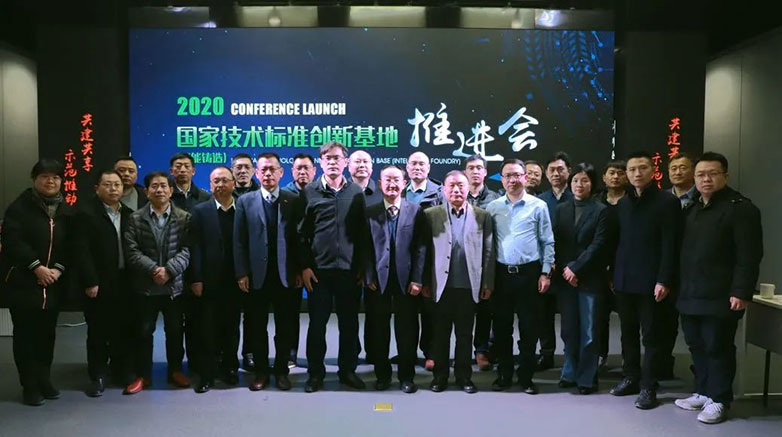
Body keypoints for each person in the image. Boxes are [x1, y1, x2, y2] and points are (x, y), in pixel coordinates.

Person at [675, 152, 762, 424]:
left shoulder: (741, 208)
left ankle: (720, 398)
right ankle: (703, 390)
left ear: (726, 175)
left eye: (713, 174)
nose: (706, 179)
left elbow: (749, 255)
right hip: (690, 291)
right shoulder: (692, 208)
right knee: (696, 344)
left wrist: (741, 291)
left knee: (718, 346)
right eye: (701, 175)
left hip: (722, 294)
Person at [609, 151, 681, 410]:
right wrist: (613, 275)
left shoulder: (667, 202)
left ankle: (649, 385)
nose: (637, 173)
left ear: (653, 171)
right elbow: (618, 243)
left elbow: (671, 245)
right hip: (624, 280)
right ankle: (630, 377)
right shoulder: (624, 203)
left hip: (652, 282)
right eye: (632, 169)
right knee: (627, 333)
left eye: (642, 168)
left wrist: (664, 279)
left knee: (652, 336)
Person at [1, 159, 74, 406]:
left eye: (56, 177)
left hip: (53, 284)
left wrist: (58, 270)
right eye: (44, 176)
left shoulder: (66, 210)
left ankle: (44, 379)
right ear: (35, 179)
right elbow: (12, 241)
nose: (50, 181)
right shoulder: (19, 208)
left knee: (47, 335)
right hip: (24, 283)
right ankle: (29, 385)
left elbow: (70, 244)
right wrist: (36, 267)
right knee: (25, 336)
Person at [298, 142, 369, 393]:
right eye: (327, 158)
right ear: (321, 162)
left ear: (345, 162)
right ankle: (315, 374)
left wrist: (362, 266)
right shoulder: (310, 191)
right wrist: (305, 267)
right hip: (319, 272)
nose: (332, 162)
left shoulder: (356, 192)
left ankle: (347, 371)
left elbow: (362, 233)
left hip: (349, 271)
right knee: (317, 325)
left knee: (349, 325)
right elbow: (301, 234)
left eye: (337, 158)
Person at [486, 158, 554, 395]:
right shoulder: (493, 207)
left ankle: (526, 377)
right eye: (507, 175)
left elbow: (547, 241)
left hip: (530, 274)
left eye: (517, 175)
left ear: (525, 177)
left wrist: (546, 272)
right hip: (501, 275)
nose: (512, 180)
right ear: (501, 179)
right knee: (501, 328)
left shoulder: (538, 206)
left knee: (529, 328)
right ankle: (504, 374)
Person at [234, 153, 302, 392]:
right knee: (256, 326)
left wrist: (299, 270)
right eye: (263, 170)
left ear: (281, 173)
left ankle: (281, 371)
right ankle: (261, 372)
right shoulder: (245, 201)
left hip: (285, 274)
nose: (268, 174)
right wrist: (241, 272)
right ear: (257, 172)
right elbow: (239, 241)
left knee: (285, 326)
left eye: (273, 169)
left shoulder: (293, 200)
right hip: (256, 275)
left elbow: (299, 239)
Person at [425, 170, 494, 394]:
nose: (456, 190)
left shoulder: (482, 215)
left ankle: (464, 377)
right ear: (444, 189)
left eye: (461, 186)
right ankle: (440, 376)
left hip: (469, 285)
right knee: (440, 334)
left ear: (468, 188)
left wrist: (487, 283)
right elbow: (423, 252)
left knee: (465, 335)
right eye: (452, 186)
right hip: (440, 286)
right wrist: (424, 282)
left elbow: (488, 251)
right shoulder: (430, 215)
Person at [123, 172, 191, 395]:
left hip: (173, 287)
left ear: (171, 191)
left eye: (164, 186)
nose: (159, 190)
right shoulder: (135, 218)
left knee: (175, 331)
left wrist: (169, 270)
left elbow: (187, 249)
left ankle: (175, 371)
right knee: (143, 332)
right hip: (146, 286)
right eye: (154, 186)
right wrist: (153, 269)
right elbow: (131, 251)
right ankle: (143, 375)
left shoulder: (183, 217)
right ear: (146, 191)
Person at [364, 165, 427, 393]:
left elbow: (421, 248)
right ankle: (382, 376)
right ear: (380, 184)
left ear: (404, 183)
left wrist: (418, 279)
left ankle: (406, 377)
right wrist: (368, 274)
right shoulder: (369, 211)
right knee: (378, 330)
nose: (392, 184)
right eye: (387, 180)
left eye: (396, 180)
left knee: (407, 330)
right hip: (377, 281)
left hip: (407, 281)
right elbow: (364, 247)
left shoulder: (415, 211)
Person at [552, 163, 609, 394]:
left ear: (592, 184)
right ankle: (569, 372)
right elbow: (556, 242)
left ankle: (587, 378)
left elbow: (598, 244)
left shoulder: (601, 210)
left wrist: (576, 268)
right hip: (566, 279)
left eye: (585, 180)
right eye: (576, 180)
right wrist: (567, 269)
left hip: (590, 278)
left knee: (589, 332)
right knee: (568, 330)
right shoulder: (561, 209)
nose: (579, 184)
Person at [76, 169, 133, 397]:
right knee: (98, 331)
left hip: (124, 281)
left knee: (123, 328)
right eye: (107, 184)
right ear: (97, 188)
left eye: (117, 184)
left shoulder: (129, 214)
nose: (113, 189)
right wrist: (90, 280)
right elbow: (81, 251)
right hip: (98, 282)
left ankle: (119, 370)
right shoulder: (85, 214)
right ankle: (97, 375)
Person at [187, 167, 243, 393]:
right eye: (215, 181)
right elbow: (195, 247)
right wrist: (196, 278)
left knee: (232, 326)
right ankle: (207, 374)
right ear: (210, 185)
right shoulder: (200, 211)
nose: (220, 185)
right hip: (209, 281)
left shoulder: (243, 208)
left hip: (236, 279)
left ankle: (230, 368)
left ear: (233, 183)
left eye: (224, 180)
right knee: (208, 328)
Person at [405, 151, 443, 369]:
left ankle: (431, 353)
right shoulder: (400, 191)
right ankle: (408, 353)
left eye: (422, 164)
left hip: (431, 261)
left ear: (428, 168)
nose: (417, 167)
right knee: (408, 313)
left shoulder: (439, 193)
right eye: (413, 164)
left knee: (431, 313)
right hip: (405, 260)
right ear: (407, 168)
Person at [536, 151, 574, 371]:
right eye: (552, 170)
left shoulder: (577, 196)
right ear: (546, 173)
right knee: (543, 314)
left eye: (560, 169)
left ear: (569, 171)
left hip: (570, 267)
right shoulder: (540, 201)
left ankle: (571, 356)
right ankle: (546, 353)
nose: (556, 174)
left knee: (570, 318)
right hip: (546, 267)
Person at [464, 154, 499, 371]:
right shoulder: (456, 194)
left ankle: (481, 350)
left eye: (479, 168)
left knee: (485, 310)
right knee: (461, 311)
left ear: (485, 172)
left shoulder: (495, 199)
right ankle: (460, 351)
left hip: (485, 261)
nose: (475, 171)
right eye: (471, 168)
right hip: (460, 262)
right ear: (465, 172)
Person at [282, 152, 317, 367]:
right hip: (293, 264)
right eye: (298, 168)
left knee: (318, 313)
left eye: (307, 168)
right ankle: (290, 353)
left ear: (314, 171)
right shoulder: (285, 196)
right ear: (292, 171)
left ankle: (316, 358)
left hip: (319, 261)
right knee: (290, 312)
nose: (302, 172)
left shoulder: (320, 192)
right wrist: (296, 268)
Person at [596, 160, 627, 371]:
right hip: (599, 266)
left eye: (620, 173)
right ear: (604, 177)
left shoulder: (633, 200)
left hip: (625, 265)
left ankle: (628, 357)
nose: (615, 177)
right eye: (612, 173)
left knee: (627, 316)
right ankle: (600, 354)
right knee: (599, 315)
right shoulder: (596, 201)